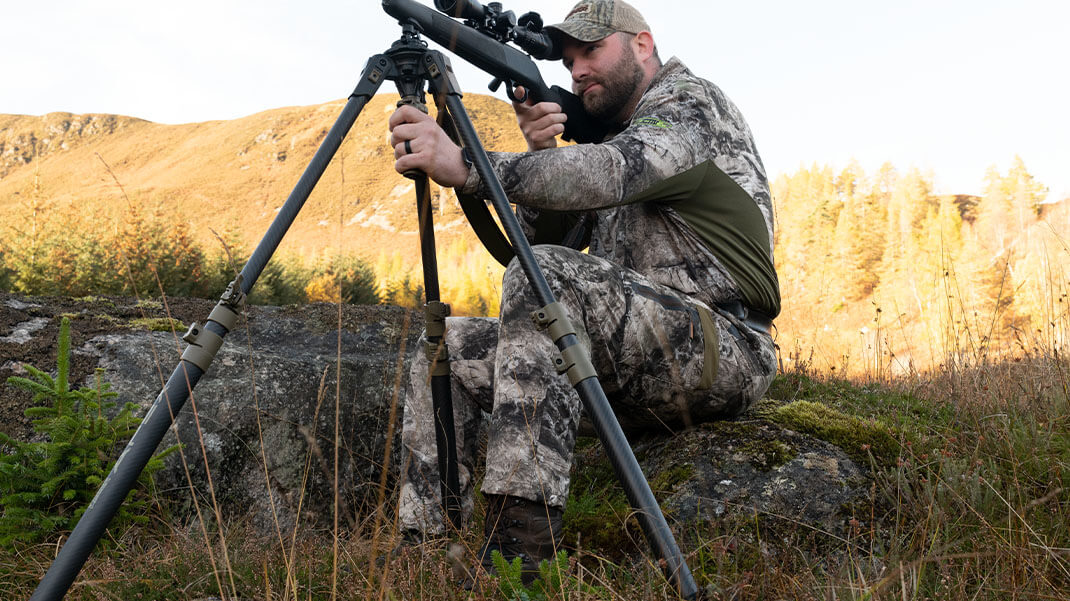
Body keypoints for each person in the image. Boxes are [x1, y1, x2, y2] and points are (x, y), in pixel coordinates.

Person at [386, 0, 780, 581]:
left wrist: (467, 163)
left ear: (642, 44)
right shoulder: (614, 142)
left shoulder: (692, 106)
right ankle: (426, 555)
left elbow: (614, 173)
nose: (577, 72)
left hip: (725, 346)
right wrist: (541, 155)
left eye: (591, 51)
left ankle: (520, 557)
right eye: (569, 62)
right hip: (623, 360)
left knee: (552, 274)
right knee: (447, 352)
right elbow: (527, 245)